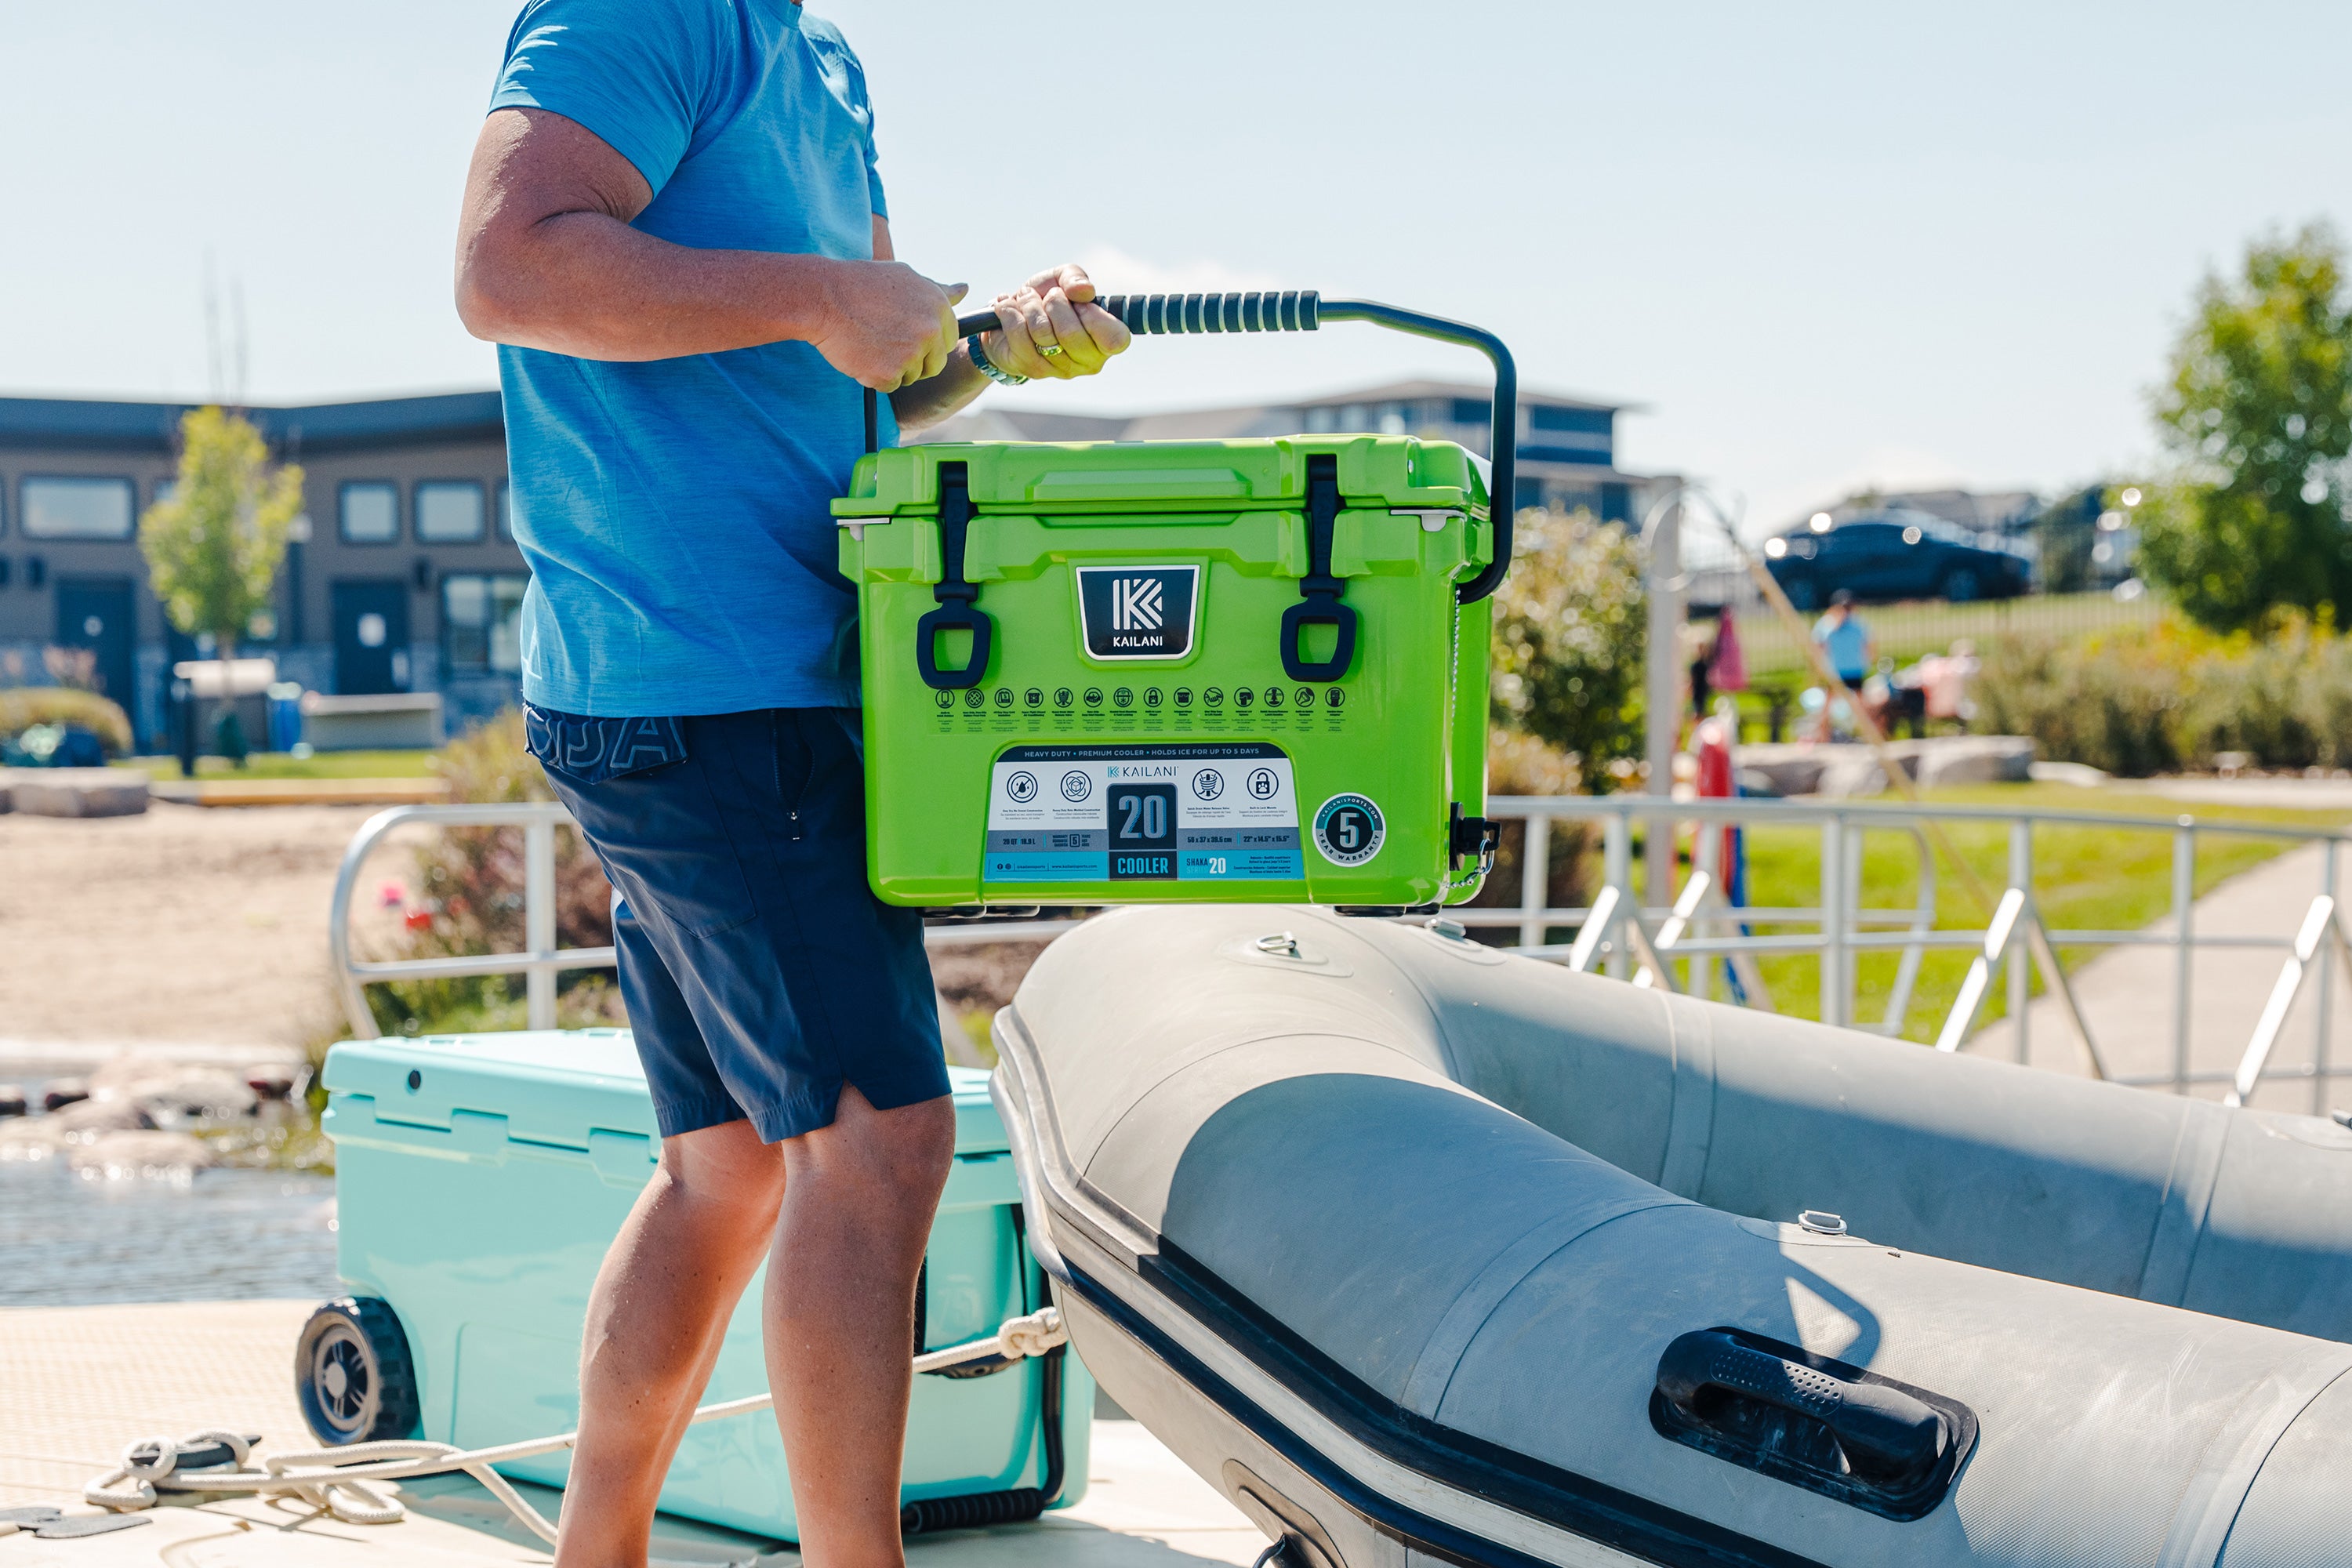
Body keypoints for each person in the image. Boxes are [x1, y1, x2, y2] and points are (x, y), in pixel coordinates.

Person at [451, 5, 1129, 1565]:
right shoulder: (639, 14)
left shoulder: (823, 68)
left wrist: (984, 351)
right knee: (878, 1145)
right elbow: (508, 268)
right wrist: (831, 291)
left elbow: (854, 395)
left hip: (741, 681)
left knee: (730, 1169)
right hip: (704, 686)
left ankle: (596, 1554)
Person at [1812, 591, 1875, 688]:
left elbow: (1867, 644)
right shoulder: (1826, 623)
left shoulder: (1857, 623)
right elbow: (1819, 645)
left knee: (1858, 695)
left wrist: (1867, 661)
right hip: (1834, 670)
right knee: (1831, 696)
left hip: (1854, 668)